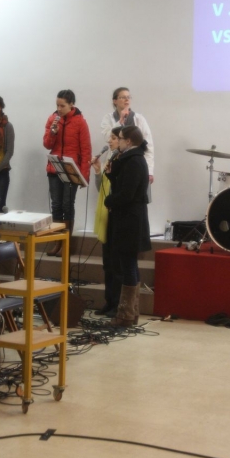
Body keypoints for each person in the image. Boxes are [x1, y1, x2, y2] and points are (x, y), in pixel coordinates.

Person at [104, 126, 151, 327]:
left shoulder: (134, 161)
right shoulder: (132, 159)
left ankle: (125, 315)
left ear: (129, 141)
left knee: (128, 266)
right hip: (130, 219)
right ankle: (131, 313)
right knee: (130, 265)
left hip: (130, 221)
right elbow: (124, 186)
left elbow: (127, 194)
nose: (118, 142)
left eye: (120, 138)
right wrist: (111, 175)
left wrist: (109, 200)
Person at [43, 89, 92, 256]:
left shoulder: (80, 122)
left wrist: (84, 176)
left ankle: (66, 244)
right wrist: (52, 133)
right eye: (57, 105)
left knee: (67, 205)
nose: (59, 109)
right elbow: (47, 144)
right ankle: (57, 242)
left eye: (62, 106)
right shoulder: (52, 119)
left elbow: (86, 150)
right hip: (54, 168)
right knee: (56, 205)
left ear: (72, 105)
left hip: (72, 169)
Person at [92, 127, 122, 317]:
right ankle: (109, 301)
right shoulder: (110, 159)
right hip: (106, 214)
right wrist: (97, 172)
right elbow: (102, 189)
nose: (109, 141)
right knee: (107, 263)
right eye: (110, 137)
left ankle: (118, 303)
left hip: (117, 216)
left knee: (117, 264)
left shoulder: (123, 161)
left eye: (114, 138)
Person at [100, 87, 155, 184]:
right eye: (123, 97)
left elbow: (148, 145)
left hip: (136, 163)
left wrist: (149, 171)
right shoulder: (108, 118)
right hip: (116, 162)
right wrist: (120, 122)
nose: (127, 99)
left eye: (129, 97)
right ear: (115, 101)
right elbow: (108, 137)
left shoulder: (139, 119)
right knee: (116, 189)